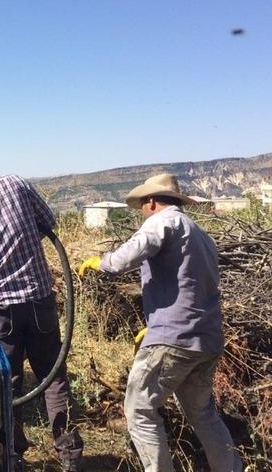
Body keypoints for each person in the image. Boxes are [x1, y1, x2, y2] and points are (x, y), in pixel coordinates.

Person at [79, 173, 242, 472]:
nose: (142, 209)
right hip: (206, 338)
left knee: (139, 410)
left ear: (151, 201)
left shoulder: (163, 222)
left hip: (174, 338)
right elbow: (191, 286)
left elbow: (128, 256)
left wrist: (101, 262)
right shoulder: (200, 234)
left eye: (142, 204)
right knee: (203, 414)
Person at [0, 144, 83, 472]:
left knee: (6, 384)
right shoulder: (16, 184)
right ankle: (71, 458)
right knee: (53, 378)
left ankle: (13, 458)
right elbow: (48, 221)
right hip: (39, 301)